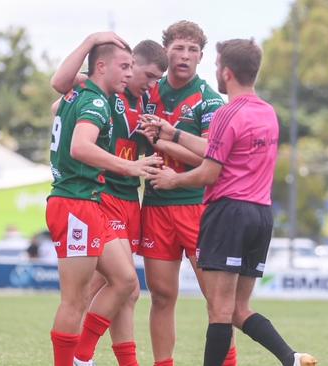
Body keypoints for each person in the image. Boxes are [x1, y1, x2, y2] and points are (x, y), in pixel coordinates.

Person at [144, 38, 317, 366]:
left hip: (228, 213)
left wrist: (173, 180)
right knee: (238, 309)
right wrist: (174, 133)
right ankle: (290, 357)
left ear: (226, 72)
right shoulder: (268, 113)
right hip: (261, 216)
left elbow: (209, 172)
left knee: (220, 310)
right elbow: (221, 150)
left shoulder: (226, 113)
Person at [50, 32, 168, 366]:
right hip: (83, 198)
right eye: (128, 67)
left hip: (88, 198)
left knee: (126, 284)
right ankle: (79, 358)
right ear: (103, 67)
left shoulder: (104, 95)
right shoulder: (95, 96)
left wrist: (151, 143)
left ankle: (84, 358)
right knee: (80, 297)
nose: (131, 75)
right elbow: (79, 144)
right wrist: (132, 167)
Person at [135, 21, 235, 366]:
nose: (185, 56)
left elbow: (210, 157)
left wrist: (161, 141)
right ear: (166, 51)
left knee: (217, 302)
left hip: (198, 208)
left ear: (202, 57)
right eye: (179, 47)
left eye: (193, 50)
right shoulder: (147, 91)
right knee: (162, 296)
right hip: (156, 207)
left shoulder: (209, 100)